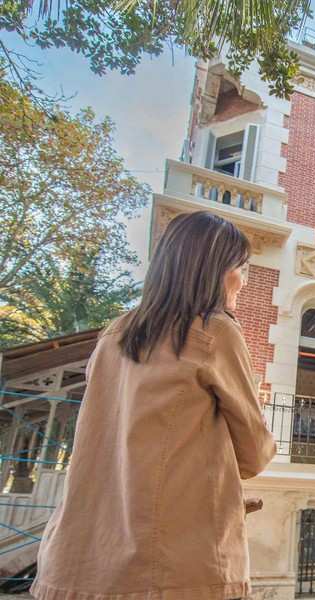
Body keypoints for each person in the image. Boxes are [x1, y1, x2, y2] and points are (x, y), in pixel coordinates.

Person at [32, 211, 277, 600]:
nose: (244, 281)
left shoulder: (114, 334)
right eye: (241, 267)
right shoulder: (214, 331)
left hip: (76, 561)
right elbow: (254, 454)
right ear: (214, 269)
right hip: (172, 566)